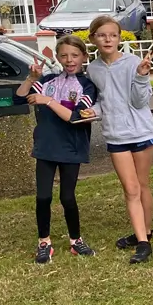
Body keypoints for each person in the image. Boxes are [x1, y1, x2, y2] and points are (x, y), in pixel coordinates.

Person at [14, 35, 98, 264]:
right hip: (45, 147)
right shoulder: (48, 81)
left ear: (84, 56)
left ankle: (76, 241)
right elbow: (19, 99)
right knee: (43, 197)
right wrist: (31, 78)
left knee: (67, 197)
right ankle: (44, 242)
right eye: (64, 56)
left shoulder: (87, 85)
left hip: (71, 148)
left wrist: (48, 101)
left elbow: (74, 116)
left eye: (74, 55)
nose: (69, 60)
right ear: (58, 58)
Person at [87, 15, 153, 264]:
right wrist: (91, 112)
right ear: (93, 38)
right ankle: (142, 243)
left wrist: (141, 76)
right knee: (130, 190)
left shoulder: (133, 62)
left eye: (113, 35)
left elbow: (140, 101)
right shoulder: (93, 69)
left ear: (119, 38)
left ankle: (146, 233)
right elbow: (101, 102)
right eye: (102, 35)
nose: (108, 39)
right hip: (115, 135)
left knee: (142, 185)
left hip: (141, 133)